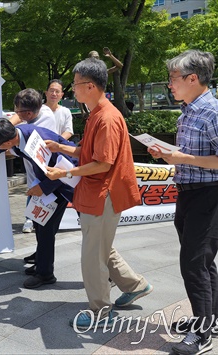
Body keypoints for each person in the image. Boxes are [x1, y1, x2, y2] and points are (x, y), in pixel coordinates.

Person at [45, 58, 153, 330]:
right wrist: (61, 147)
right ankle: (136, 285)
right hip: (98, 194)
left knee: (93, 256)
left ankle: (101, 312)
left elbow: (103, 163)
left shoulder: (105, 117)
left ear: (90, 86)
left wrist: (64, 173)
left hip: (103, 194)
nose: (73, 89)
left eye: (76, 84)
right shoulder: (98, 112)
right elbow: (88, 152)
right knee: (102, 247)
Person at [149, 50, 218, 355]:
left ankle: (202, 336)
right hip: (190, 192)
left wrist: (183, 158)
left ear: (193, 79)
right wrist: (168, 154)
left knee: (193, 263)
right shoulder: (189, 110)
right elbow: (195, 154)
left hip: (212, 194)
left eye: (173, 78)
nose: (169, 84)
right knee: (202, 261)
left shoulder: (216, 111)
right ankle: (210, 319)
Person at [0, 118, 75, 289]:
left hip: (72, 183)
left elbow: (68, 165)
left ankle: (111, 275)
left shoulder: (39, 141)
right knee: (42, 225)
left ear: (8, 141)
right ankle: (44, 270)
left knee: (93, 234)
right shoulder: (16, 135)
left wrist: (43, 188)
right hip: (50, 184)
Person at [8, 89, 57, 236]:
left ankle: (43, 257)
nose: (16, 114)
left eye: (18, 110)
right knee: (40, 223)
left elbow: (16, 145)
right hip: (37, 179)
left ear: (29, 113)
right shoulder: (35, 113)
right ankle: (39, 254)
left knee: (45, 226)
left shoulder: (43, 120)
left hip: (49, 181)